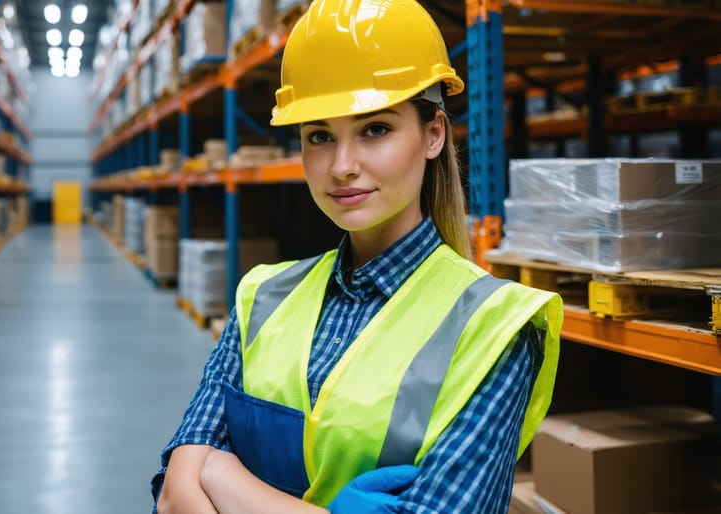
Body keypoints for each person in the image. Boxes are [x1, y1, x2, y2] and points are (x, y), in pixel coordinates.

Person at [152, 0, 563, 512]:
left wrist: (223, 474)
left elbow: (200, 476)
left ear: (433, 134)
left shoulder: (494, 328)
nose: (342, 166)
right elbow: (175, 499)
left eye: (375, 129)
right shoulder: (261, 298)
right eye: (320, 136)